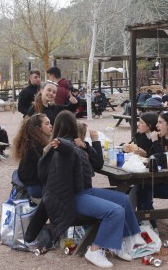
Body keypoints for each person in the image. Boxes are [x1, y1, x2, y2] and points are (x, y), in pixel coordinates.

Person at [34, 111, 142, 268]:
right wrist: (73, 148)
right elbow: (68, 167)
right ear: (73, 126)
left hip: (84, 191)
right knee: (115, 211)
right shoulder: (60, 148)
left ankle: (121, 242)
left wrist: (87, 146)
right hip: (70, 198)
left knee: (123, 199)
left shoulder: (75, 145)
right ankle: (95, 249)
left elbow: (96, 165)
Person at [12, 113, 53, 199]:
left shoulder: (33, 142)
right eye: (47, 123)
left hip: (30, 183)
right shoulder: (37, 146)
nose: (51, 126)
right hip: (35, 187)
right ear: (38, 128)